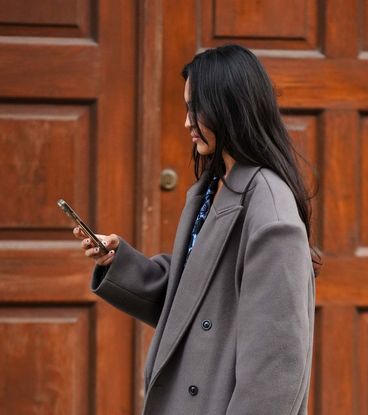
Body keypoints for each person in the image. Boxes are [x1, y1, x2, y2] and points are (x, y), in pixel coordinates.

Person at [74, 44, 319, 415]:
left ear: (231, 109)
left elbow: (276, 366)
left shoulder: (271, 211)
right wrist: (118, 262)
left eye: (196, 109)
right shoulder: (215, 186)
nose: (187, 122)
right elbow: (195, 299)